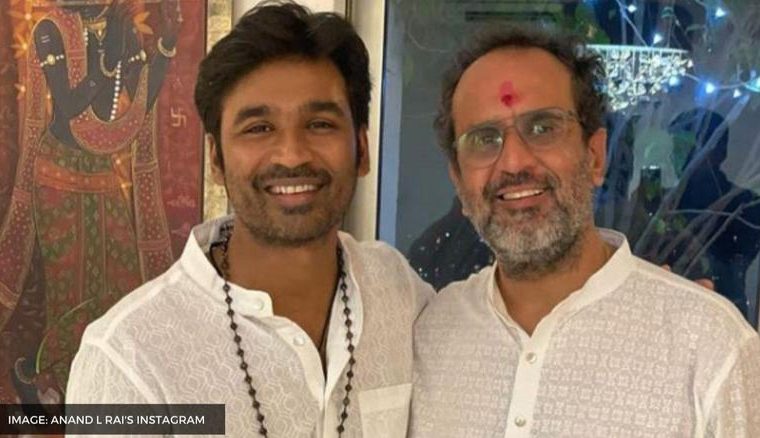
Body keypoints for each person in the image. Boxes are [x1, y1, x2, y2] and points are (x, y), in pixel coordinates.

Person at [66, 2, 431, 437]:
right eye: (258, 128)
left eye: (320, 124)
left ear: (363, 149)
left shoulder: (398, 292)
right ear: (216, 159)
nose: (292, 155)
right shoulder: (129, 358)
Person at [411, 24, 760, 437]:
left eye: (542, 128)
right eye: (484, 139)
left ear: (595, 156)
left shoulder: (709, 347)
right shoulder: (429, 334)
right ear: (458, 178)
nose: (514, 162)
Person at [0, 0, 179, 401]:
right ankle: (55, 383)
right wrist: (107, 63)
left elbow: (139, 104)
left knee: (122, 279)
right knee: (70, 287)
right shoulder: (50, 29)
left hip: (100, 173)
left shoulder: (121, 28)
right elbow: (69, 106)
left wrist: (166, 47)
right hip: (56, 174)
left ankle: (109, 383)